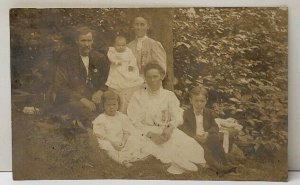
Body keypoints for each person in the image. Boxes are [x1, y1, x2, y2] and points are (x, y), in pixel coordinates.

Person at [127, 62, 206, 174]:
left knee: (187, 144)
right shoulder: (138, 95)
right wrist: (151, 134)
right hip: (145, 131)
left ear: (162, 76)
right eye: (149, 77)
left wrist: (170, 128)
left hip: (165, 129)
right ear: (145, 78)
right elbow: (133, 120)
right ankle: (176, 164)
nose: (152, 80)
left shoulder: (168, 95)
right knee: (156, 148)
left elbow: (178, 115)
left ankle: (186, 163)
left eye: (155, 76)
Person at [53, 26, 109, 128]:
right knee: (81, 109)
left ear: (92, 41)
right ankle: (92, 130)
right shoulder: (66, 58)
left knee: (110, 98)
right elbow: (60, 86)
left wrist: (100, 91)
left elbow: (107, 79)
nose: (86, 44)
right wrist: (82, 99)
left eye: (89, 40)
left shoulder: (100, 58)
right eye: (83, 41)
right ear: (76, 41)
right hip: (71, 99)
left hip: (92, 96)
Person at [178, 86, 236, 174]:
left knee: (214, 138)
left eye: (202, 101)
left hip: (205, 137)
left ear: (206, 100)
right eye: (196, 101)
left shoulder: (208, 112)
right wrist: (194, 136)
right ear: (191, 100)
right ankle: (217, 167)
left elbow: (215, 126)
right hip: (193, 138)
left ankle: (225, 161)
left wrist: (207, 133)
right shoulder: (186, 113)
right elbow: (183, 128)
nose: (199, 104)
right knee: (204, 150)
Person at [92, 91, 148, 167]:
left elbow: (127, 131)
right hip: (109, 140)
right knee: (107, 147)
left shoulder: (122, 117)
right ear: (103, 106)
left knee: (133, 139)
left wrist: (123, 141)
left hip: (121, 140)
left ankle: (136, 156)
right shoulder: (101, 119)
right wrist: (112, 142)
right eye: (108, 105)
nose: (111, 107)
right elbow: (100, 135)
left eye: (114, 104)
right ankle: (123, 161)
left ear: (118, 105)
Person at [106, 35, 144, 113]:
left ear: (126, 45)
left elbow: (133, 59)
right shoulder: (112, 51)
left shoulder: (128, 51)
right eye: (118, 45)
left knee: (130, 78)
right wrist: (116, 61)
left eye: (123, 45)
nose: (121, 47)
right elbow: (110, 57)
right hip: (117, 69)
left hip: (126, 69)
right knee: (117, 80)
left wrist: (131, 65)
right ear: (114, 45)